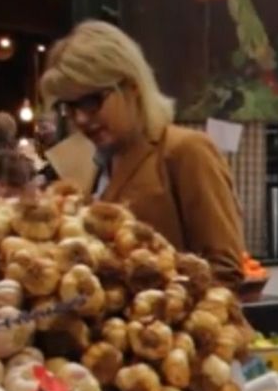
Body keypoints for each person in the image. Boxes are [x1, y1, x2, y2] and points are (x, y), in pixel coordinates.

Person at [40, 20, 246, 285]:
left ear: (132, 87)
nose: (80, 118)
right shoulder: (96, 165)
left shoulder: (186, 151)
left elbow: (226, 269)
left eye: (92, 101)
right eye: (69, 107)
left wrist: (153, 302)